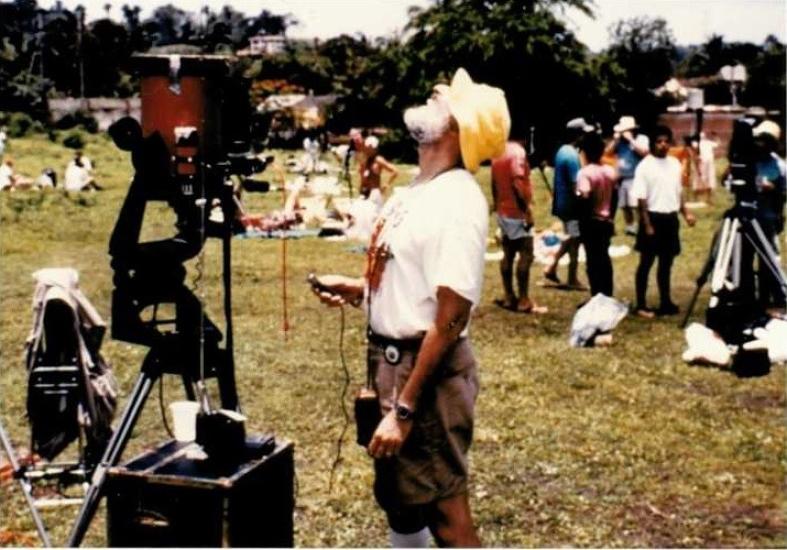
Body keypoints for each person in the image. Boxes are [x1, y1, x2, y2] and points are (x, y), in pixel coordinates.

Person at [310, 68, 509, 547]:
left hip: (425, 374)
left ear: (460, 126)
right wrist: (361, 288)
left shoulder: (457, 200)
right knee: (399, 499)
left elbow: (452, 316)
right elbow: (413, 279)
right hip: (389, 362)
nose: (434, 93)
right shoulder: (418, 190)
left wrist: (403, 410)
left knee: (443, 507)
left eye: (445, 97)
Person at [632, 125, 696, 318]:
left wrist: (686, 213)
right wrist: (647, 224)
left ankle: (665, 301)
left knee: (666, 263)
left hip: (670, 218)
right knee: (646, 262)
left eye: (666, 141)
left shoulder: (675, 164)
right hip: (652, 217)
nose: (663, 145)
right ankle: (641, 304)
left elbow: (678, 192)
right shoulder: (645, 166)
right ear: (652, 144)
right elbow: (641, 199)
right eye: (659, 141)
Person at [491, 137, 547, 313]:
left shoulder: (498, 151)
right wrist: (527, 210)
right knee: (526, 254)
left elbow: (493, 183)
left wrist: (497, 204)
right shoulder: (518, 153)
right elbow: (517, 182)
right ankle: (523, 299)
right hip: (517, 212)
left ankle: (509, 296)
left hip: (503, 210)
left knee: (507, 253)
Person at [543, 117, 593, 289]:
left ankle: (553, 267)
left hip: (563, 204)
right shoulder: (572, 156)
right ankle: (571, 277)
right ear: (578, 135)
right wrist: (586, 200)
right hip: (571, 206)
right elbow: (575, 185)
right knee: (574, 239)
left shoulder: (562, 150)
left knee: (572, 238)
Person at [577, 132, 617, 297]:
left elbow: (585, 196)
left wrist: (583, 218)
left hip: (591, 221)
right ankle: (607, 293)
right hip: (606, 219)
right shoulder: (609, 171)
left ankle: (596, 295)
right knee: (605, 258)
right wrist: (611, 216)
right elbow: (615, 196)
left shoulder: (585, 173)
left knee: (592, 261)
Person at [752, 120, 786, 313]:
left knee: (769, 259)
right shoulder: (748, 160)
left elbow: (782, 195)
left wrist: (772, 190)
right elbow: (727, 181)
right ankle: (746, 293)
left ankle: (769, 296)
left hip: (767, 218)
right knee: (743, 258)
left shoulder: (779, 166)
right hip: (747, 217)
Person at [607, 115, 649, 236]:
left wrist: (631, 140)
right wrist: (615, 140)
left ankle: (642, 225)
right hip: (622, 178)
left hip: (635, 177)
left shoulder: (641, 138)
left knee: (636, 205)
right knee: (624, 205)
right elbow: (608, 152)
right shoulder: (619, 142)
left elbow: (645, 152)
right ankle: (630, 226)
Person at [360, 135, 399, 208]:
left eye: (370, 148)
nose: (367, 150)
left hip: (374, 192)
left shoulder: (378, 160)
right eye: (367, 148)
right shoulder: (365, 160)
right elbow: (363, 177)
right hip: (365, 191)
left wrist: (386, 184)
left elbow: (395, 171)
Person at [695, 131, 718, 204]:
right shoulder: (696, 144)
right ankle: (699, 197)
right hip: (702, 162)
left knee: (710, 179)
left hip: (709, 162)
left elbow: (717, 144)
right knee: (701, 178)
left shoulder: (708, 143)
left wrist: (715, 136)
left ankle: (709, 198)